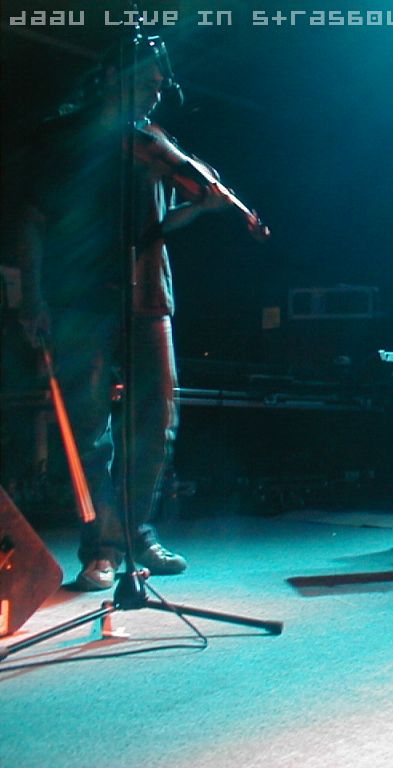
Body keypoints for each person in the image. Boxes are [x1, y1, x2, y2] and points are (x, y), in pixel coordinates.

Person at [13, 37, 231, 590]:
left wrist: (199, 209)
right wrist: (31, 299)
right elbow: (32, 221)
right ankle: (102, 546)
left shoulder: (153, 142)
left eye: (159, 86)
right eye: (146, 82)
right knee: (89, 431)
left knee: (157, 421)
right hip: (80, 299)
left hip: (149, 296)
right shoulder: (64, 138)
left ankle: (137, 533)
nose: (154, 94)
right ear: (112, 76)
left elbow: (159, 224)